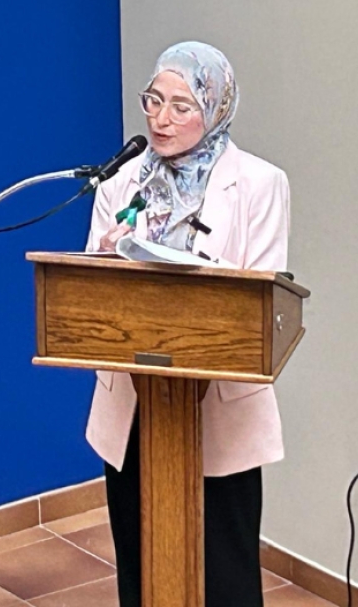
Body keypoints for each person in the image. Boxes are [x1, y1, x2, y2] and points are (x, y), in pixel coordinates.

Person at [85, 41, 290, 606]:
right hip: (134, 407)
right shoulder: (119, 183)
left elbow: (260, 296)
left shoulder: (259, 184)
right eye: (153, 100)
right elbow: (90, 298)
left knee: (224, 573)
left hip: (216, 405)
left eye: (181, 105)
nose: (160, 118)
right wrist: (106, 255)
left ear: (216, 106)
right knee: (141, 568)